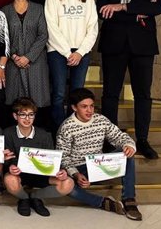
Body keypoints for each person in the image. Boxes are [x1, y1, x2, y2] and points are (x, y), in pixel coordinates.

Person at [97, 0, 161, 159]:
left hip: (143, 48)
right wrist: (139, 12)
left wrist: (122, 7)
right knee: (110, 94)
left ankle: (142, 140)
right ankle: (110, 139)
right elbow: (104, 12)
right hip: (113, 46)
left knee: (143, 95)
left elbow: (159, 8)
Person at [56, 88, 142, 221]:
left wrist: (128, 145)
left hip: (98, 165)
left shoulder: (101, 120)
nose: (89, 110)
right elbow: (63, 158)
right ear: (74, 107)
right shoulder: (67, 127)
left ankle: (129, 199)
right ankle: (102, 202)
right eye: (84, 107)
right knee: (66, 186)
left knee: (127, 153)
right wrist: (76, 174)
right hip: (79, 169)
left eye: (91, 106)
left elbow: (119, 136)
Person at [45, 0, 98, 127]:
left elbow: (93, 29)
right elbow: (51, 29)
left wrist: (80, 52)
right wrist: (68, 53)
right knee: (59, 93)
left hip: (81, 51)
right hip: (58, 51)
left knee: (77, 94)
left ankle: (74, 128)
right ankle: (59, 129)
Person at [3, 97, 74, 217]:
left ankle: (36, 197)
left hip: (41, 174)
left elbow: (53, 157)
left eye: (31, 115)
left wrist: (61, 170)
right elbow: (7, 159)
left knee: (68, 183)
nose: (27, 119)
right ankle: (24, 198)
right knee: (9, 180)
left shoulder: (44, 135)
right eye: (23, 115)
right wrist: (10, 166)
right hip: (19, 174)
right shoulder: (8, 133)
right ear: (15, 116)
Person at [1, 0, 51, 128]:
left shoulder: (39, 9)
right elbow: (3, 37)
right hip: (12, 63)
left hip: (35, 62)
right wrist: (15, 57)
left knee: (37, 98)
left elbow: (43, 35)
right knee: (15, 99)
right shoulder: (4, 11)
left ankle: (38, 136)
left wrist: (28, 57)